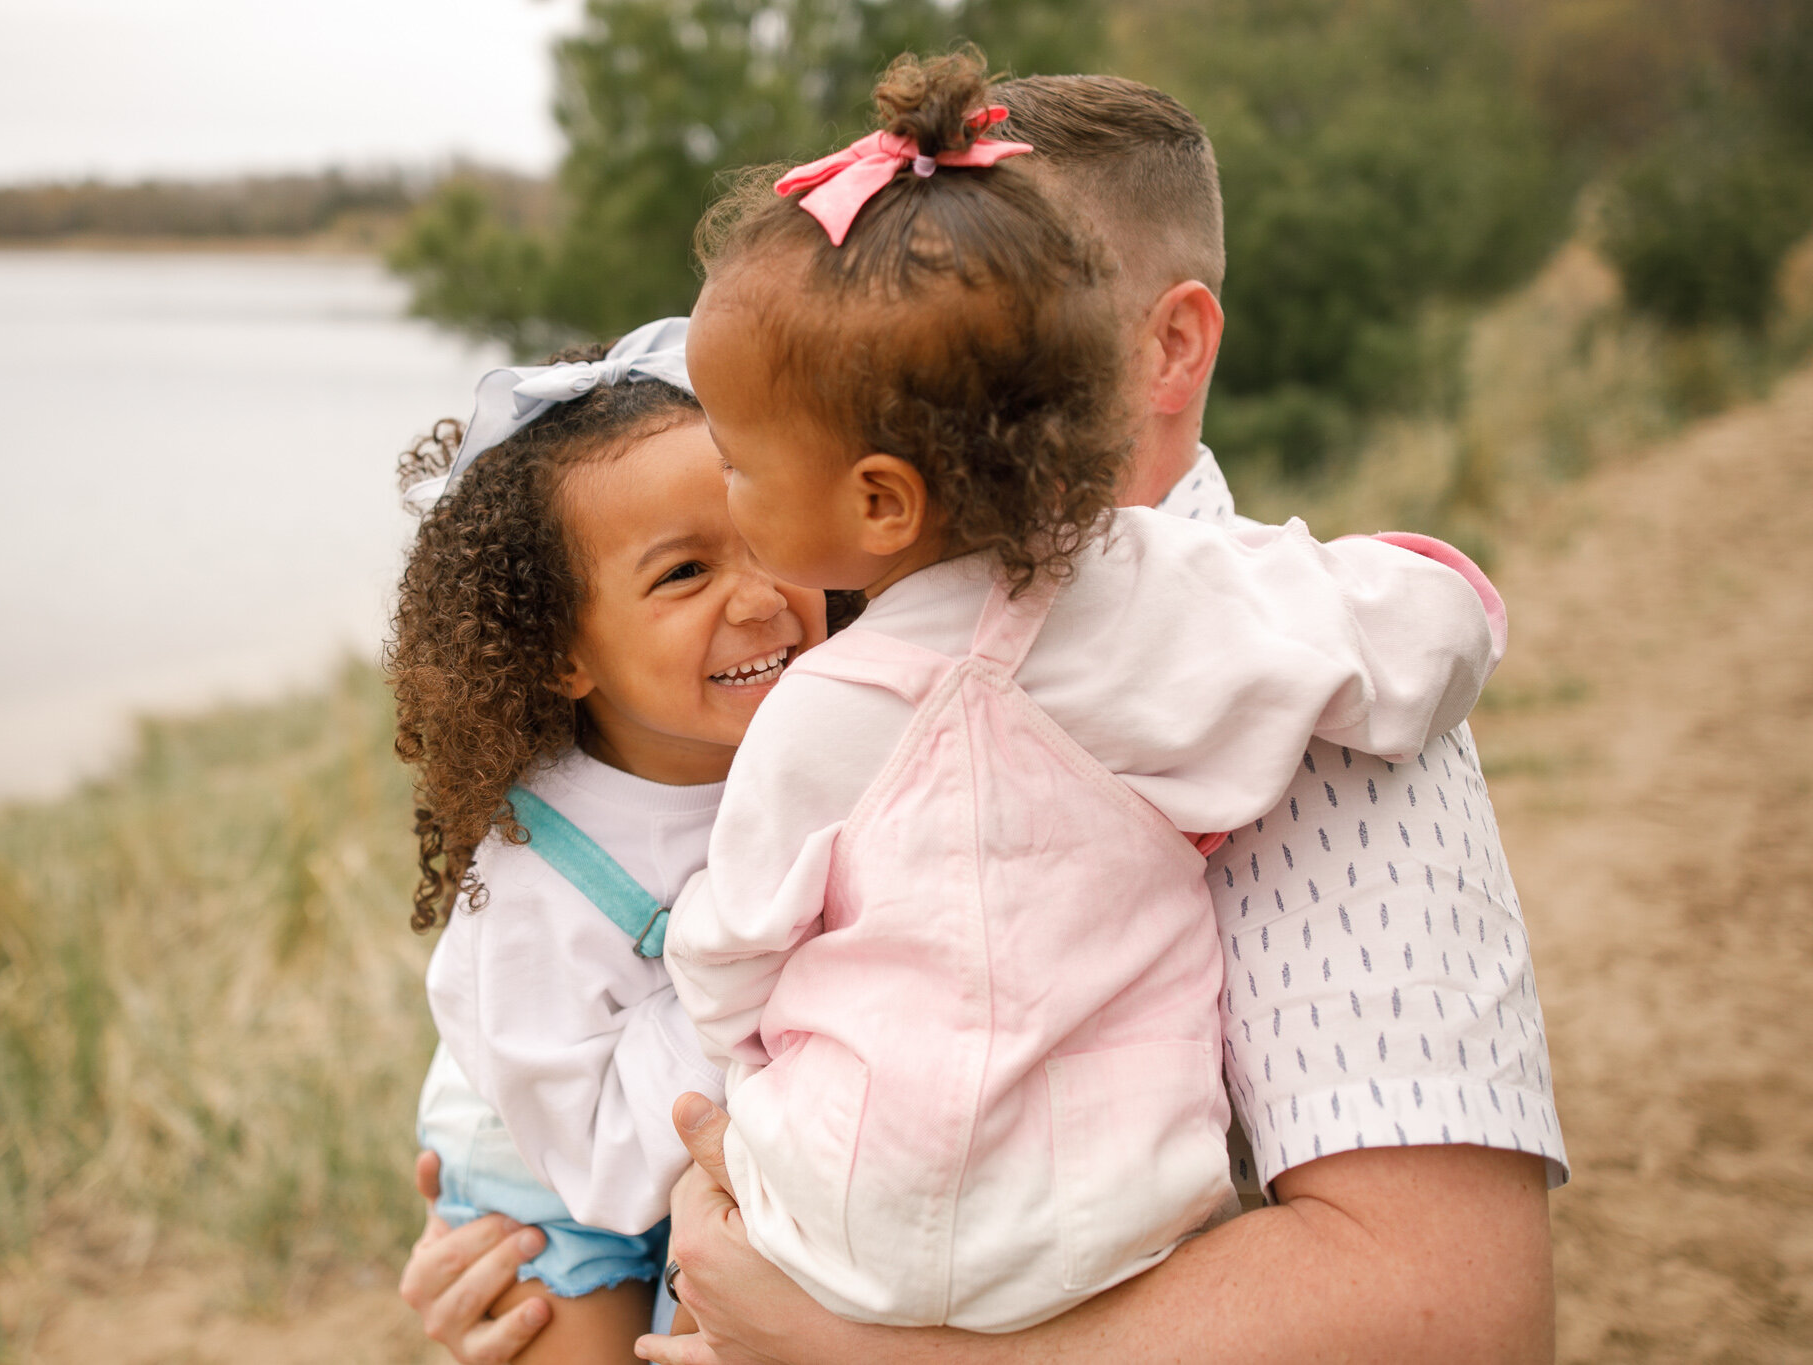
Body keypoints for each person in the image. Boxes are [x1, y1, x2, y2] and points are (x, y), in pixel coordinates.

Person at [402, 70, 1566, 1365]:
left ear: (1166, 347)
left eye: (976, 352)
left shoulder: (1315, 708)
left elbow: (1458, 1318)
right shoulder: (840, 633)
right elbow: (581, 975)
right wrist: (508, 1208)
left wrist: (849, 1348)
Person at [387, 317, 828, 1364]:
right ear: (561, 655)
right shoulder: (540, 883)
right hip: (551, 1163)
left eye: (766, 540)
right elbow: (604, 1167)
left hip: (695, 1130)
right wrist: (752, 956)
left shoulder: (831, 724)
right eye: (682, 576)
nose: (760, 599)